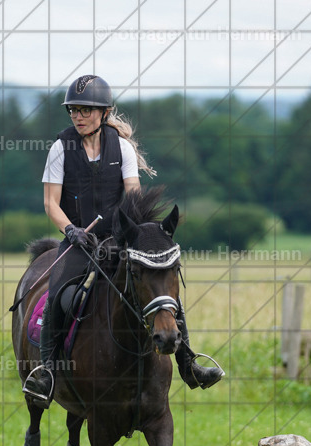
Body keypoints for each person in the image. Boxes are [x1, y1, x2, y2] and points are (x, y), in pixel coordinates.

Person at [22, 75, 223, 408]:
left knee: (161, 288)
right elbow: (50, 204)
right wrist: (71, 231)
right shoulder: (60, 148)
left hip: (119, 241)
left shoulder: (123, 149)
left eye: (86, 110)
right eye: (73, 110)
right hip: (79, 241)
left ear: (104, 113)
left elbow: (133, 196)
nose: (78, 116)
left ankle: (188, 363)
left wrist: (132, 234)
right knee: (57, 292)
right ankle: (47, 372)